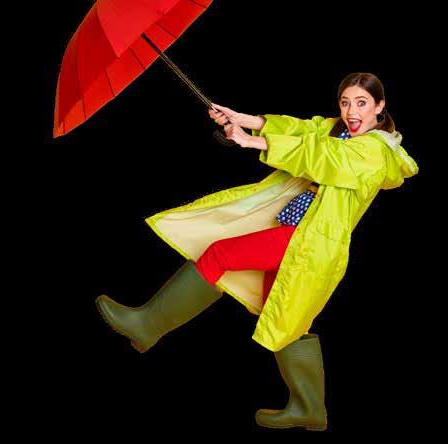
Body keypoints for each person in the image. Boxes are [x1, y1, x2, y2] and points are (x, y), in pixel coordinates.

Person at [96, 72, 418, 430]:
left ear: (379, 106)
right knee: (283, 316)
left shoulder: (375, 151)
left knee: (220, 255)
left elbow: (322, 156)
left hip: (311, 242)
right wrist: (241, 118)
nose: (351, 112)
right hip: (294, 231)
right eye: (345, 102)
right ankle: (310, 408)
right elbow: (301, 130)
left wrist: (252, 142)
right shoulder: (337, 129)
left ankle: (147, 325)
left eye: (361, 103)